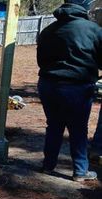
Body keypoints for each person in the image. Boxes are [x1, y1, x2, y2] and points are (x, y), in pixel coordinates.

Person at [37, 0, 102, 181]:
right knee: (78, 129)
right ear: (85, 7)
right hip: (76, 87)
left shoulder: (48, 30)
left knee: (54, 126)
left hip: (48, 85)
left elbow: (41, 60)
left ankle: (48, 165)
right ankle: (80, 171)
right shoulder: (94, 30)